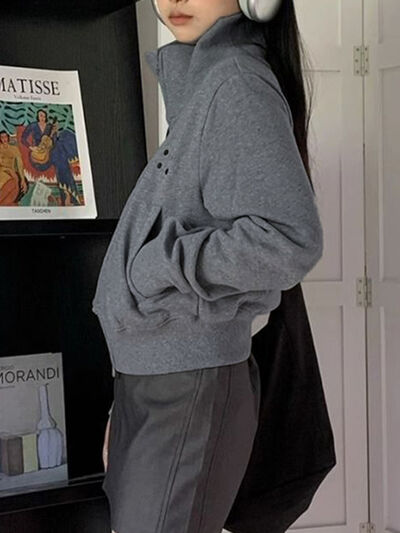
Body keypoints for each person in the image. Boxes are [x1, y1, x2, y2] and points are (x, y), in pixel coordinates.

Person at [93, 1, 324, 532]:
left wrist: (159, 265)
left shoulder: (235, 83)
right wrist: (126, 388)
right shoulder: (204, 82)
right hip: (157, 379)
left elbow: (291, 239)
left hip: (185, 387)